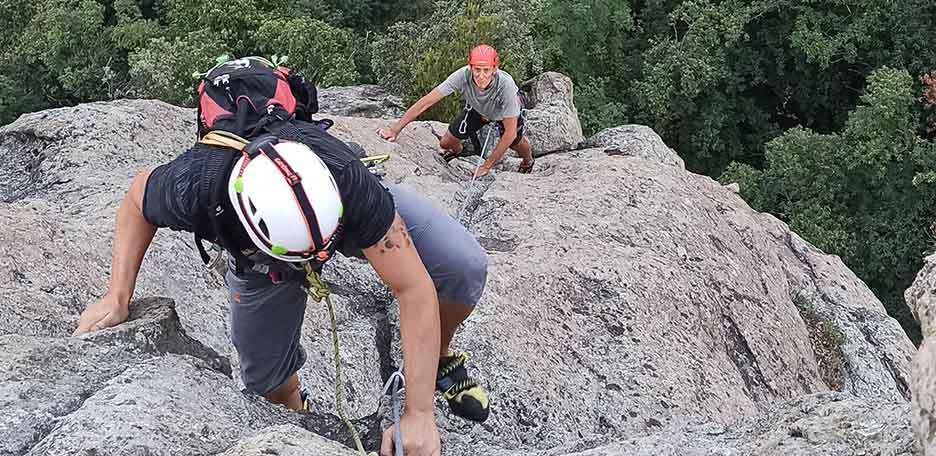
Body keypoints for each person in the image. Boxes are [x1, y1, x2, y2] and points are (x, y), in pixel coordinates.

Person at [72, 56, 490, 456]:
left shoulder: (346, 177)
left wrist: (418, 413)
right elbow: (135, 200)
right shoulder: (198, 186)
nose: (321, 260)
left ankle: (434, 360)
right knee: (267, 382)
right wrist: (117, 295)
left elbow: (413, 287)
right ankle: (297, 413)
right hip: (260, 258)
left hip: (336, 209)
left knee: (462, 266)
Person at [377, 44, 534, 177]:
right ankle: (461, 150)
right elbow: (427, 101)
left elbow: (510, 133)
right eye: (477, 69)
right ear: (470, 66)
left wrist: (486, 166)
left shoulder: (506, 86)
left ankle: (528, 160)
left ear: (495, 68)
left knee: (515, 142)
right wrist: (394, 130)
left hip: (503, 113)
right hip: (478, 110)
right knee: (446, 143)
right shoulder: (462, 75)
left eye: (486, 70)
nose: (481, 76)